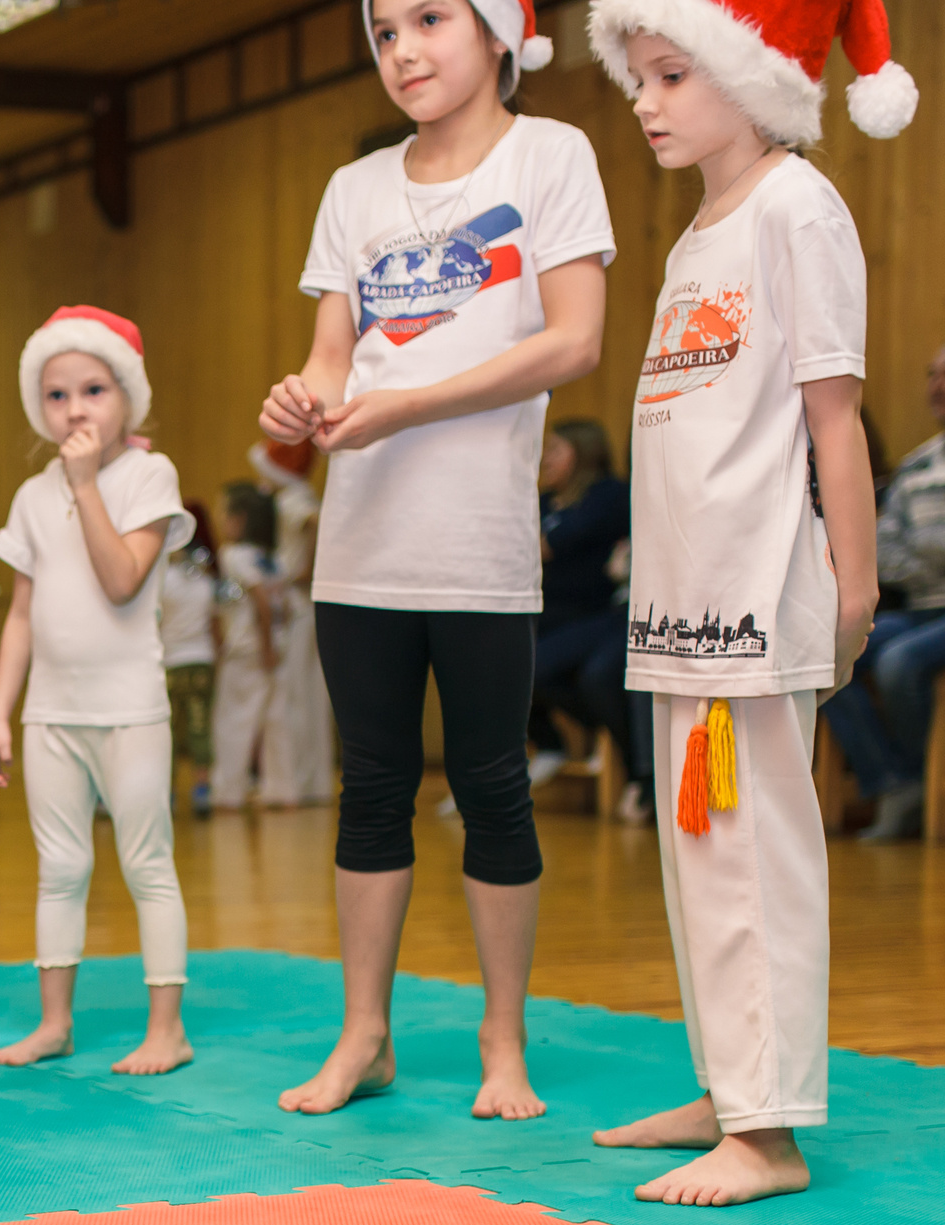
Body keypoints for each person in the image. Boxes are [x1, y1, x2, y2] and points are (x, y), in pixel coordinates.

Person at [259, 0, 612, 1121]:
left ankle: (501, 1041)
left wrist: (404, 406)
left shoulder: (551, 155)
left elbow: (572, 339)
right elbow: (330, 356)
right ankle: (363, 1035)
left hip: (479, 548)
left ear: (501, 29)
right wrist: (301, 397)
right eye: (380, 32)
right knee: (371, 793)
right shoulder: (354, 187)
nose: (401, 48)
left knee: (492, 788)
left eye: (428, 18)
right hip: (359, 545)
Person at [584, 0, 906, 1205]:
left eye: (671, 76)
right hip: (679, 599)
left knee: (756, 857)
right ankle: (733, 1086)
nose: (649, 102)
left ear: (751, 75)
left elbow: (834, 417)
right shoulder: (696, 232)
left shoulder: (796, 207)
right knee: (698, 856)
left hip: (759, 597)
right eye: (640, 83)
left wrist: (854, 588)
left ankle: (769, 1132)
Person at [0, 307, 196, 1073]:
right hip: (51, 712)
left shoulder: (148, 475)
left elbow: (121, 576)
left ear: (127, 397)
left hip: (130, 707)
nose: (76, 409)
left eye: (94, 389)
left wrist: (85, 485)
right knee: (60, 867)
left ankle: (167, 1027)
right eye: (58, 394)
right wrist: (1, 714)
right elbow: (21, 612)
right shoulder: (34, 494)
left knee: (146, 862)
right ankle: (54, 1021)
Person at [825, 340, 945, 840]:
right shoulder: (917, 467)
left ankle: (924, 781)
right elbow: (884, 551)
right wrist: (930, 553)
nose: (937, 385)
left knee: (898, 662)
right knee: (829, 654)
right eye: (932, 374)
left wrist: (924, 549)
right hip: (923, 606)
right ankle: (896, 781)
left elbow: (910, 547)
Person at [529, 417, 649, 819]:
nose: (545, 459)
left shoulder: (609, 494)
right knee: (496, 656)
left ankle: (626, 763)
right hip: (548, 614)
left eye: (555, 450)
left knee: (576, 671)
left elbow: (547, 547)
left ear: (582, 453)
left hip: (600, 614)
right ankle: (563, 742)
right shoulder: (547, 500)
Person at [252, 438, 335, 807]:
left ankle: (289, 782)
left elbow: (315, 525)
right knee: (310, 694)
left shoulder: (292, 502)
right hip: (307, 607)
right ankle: (311, 780)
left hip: (297, 608)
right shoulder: (301, 498)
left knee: (291, 694)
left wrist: (305, 571)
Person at [209, 484, 284, 812]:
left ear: (238, 520)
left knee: (232, 722)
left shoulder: (234, 555)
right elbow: (282, 605)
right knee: (275, 721)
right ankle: (282, 790)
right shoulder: (270, 559)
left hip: (246, 650)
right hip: (275, 650)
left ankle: (229, 792)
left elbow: (261, 603)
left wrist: (263, 644)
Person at [158, 503, 219, 818]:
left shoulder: (162, 580)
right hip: (202, 661)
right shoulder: (205, 580)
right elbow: (216, 624)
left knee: (166, 731)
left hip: (170, 662)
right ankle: (202, 789)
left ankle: (167, 793)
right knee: (199, 726)